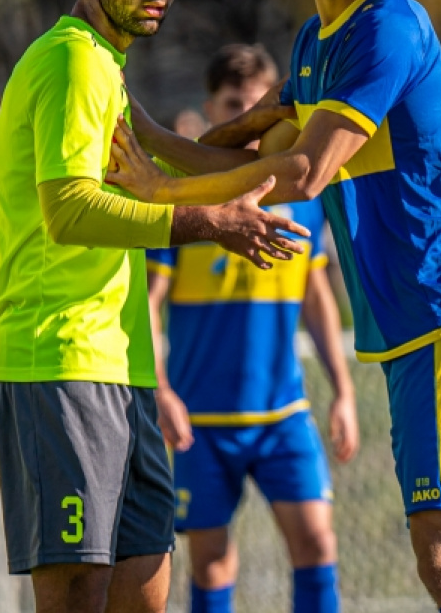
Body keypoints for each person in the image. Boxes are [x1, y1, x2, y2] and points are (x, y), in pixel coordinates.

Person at [106, 0, 441, 613]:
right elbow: (240, 147)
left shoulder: (388, 30)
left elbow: (305, 173)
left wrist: (158, 188)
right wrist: (139, 132)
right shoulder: (315, 47)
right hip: (414, 324)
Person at [0, 0, 313, 613]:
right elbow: (68, 211)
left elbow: (164, 153)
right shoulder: (71, 62)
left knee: (148, 592)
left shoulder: (104, 63)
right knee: (79, 596)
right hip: (57, 360)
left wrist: (259, 136)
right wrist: (213, 220)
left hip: (121, 368)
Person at [147, 43, 358, 613]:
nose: (248, 121)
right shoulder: (187, 193)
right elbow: (148, 302)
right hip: (202, 421)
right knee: (212, 561)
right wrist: (160, 389)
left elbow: (315, 296)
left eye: (261, 107)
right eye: (235, 106)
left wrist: (342, 390)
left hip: (282, 414)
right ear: (212, 108)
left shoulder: (301, 195)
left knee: (316, 543)